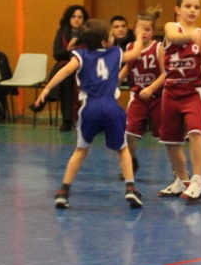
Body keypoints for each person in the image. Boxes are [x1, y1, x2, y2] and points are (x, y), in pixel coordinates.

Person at [34, 19, 144, 209]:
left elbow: (65, 70)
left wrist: (47, 88)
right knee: (123, 148)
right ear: (104, 42)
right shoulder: (115, 52)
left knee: (80, 150)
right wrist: (140, 36)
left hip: (89, 108)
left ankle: (64, 191)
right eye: (111, 35)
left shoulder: (81, 54)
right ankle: (130, 188)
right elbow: (135, 53)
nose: (114, 37)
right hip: (111, 107)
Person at [157, 0, 201, 202]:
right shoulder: (172, 27)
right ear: (177, 9)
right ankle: (182, 179)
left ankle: (197, 180)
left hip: (194, 90)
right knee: (170, 140)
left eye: (196, 7)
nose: (192, 10)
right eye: (188, 6)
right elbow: (174, 38)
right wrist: (194, 36)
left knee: (195, 131)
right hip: (171, 90)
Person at [120, 8, 165, 175]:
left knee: (167, 137)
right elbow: (127, 67)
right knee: (128, 131)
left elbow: (166, 73)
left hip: (158, 97)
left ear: (153, 32)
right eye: (141, 29)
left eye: (148, 29)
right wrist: (114, 83)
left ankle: (178, 170)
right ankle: (132, 161)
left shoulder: (158, 47)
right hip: (138, 97)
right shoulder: (131, 47)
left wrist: (151, 88)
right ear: (134, 29)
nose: (144, 32)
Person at [51, 5, 89, 131]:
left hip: (85, 67)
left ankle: (87, 119)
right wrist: (68, 50)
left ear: (84, 19)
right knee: (65, 80)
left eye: (80, 17)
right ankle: (67, 120)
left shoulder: (89, 33)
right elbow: (56, 54)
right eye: (73, 17)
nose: (76, 19)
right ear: (69, 18)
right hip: (67, 67)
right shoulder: (62, 32)